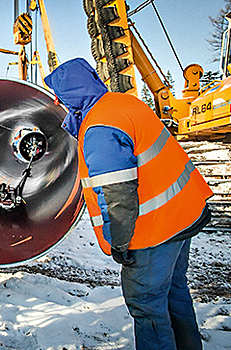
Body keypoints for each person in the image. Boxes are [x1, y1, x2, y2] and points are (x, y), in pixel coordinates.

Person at [44, 58, 213, 350]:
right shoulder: (124, 104)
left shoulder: (99, 129)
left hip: (153, 233)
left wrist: (119, 244)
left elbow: (117, 196)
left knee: (147, 307)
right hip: (183, 215)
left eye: (59, 96)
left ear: (68, 96)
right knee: (175, 294)